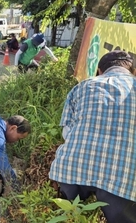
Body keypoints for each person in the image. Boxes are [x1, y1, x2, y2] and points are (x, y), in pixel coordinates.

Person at [49, 50, 136, 223]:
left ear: (100, 71)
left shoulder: (83, 86)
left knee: (64, 216)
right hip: (122, 176)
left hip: (72, 168)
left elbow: (67, 133)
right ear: (133, 71)